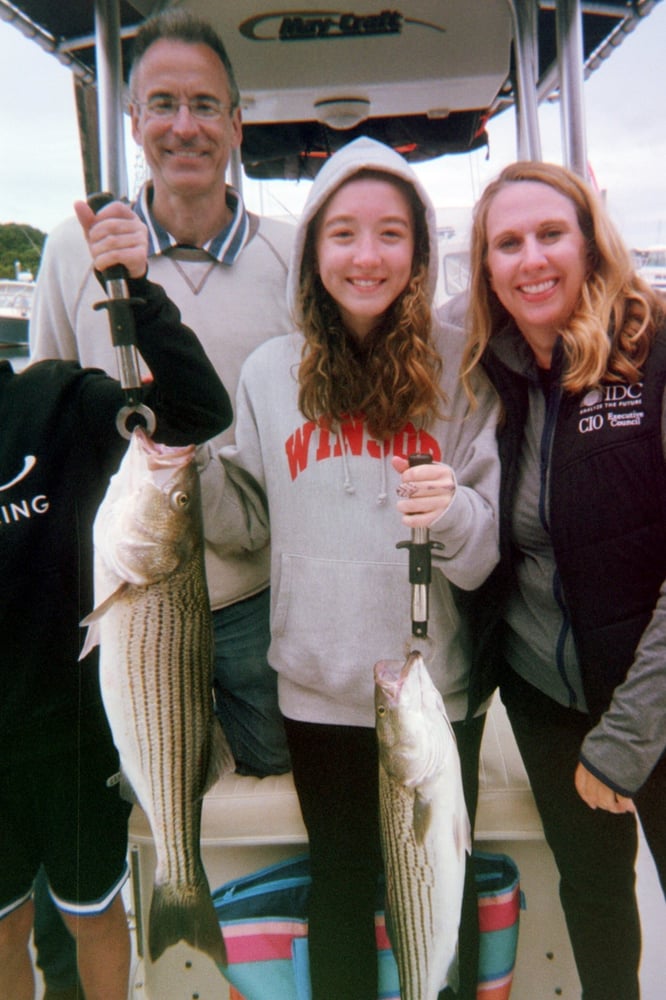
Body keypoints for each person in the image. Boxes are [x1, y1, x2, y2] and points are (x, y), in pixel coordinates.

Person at [198, 136, 501, 1000]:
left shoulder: (462, 368)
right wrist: (189, 468)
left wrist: (448, 510)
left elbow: (482, 561)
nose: (367, 257)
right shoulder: (267, 372)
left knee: (444, 882)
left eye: (391, 234)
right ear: (312, 252)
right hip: (318, 687)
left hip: (434, 694)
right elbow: (243, 526)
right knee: (339, 882)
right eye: (343, 234)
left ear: (420, 248)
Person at [30, 8, 293, 779]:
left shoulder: (294, 251)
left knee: (280, 779)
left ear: (238, 124)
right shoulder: (72, 246)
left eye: (206, 105)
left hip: (257, 598)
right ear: (134, 118)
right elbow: (45, 415)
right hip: (126, 597)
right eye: (164, 105)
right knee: (137, 792)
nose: (186, 127)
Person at [0, 197, 231, 1000]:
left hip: (72, 743)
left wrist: (137, 288)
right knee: (2, 927)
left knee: (94, 915)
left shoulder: (54, 402)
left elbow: (200, 413)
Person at [460, 160, 666, 1000]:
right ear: (486, 269)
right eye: (507, 244)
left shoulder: (653, 350)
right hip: (545, 698)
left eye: (551, 234)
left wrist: (628, 736)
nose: (531, 259)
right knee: (591, 898)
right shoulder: (491, 370)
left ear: (590, 241)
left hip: (653, 694)